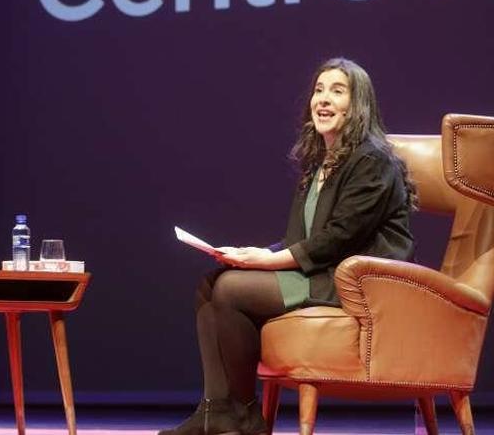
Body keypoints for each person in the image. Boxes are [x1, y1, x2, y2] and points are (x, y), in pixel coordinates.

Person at [160, 58, 416, 435]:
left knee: (230, 289)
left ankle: (246, 417)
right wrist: (257, 253)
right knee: (211, 283)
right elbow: (304, 239)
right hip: (322, 269)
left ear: (357, 104)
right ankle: (216, 411)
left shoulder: (372, 162)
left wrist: (267, 262)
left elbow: (337, 238)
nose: (323, 99)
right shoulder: (321, 163)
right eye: (318, 89)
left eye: (337, 91)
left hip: (355, 281)